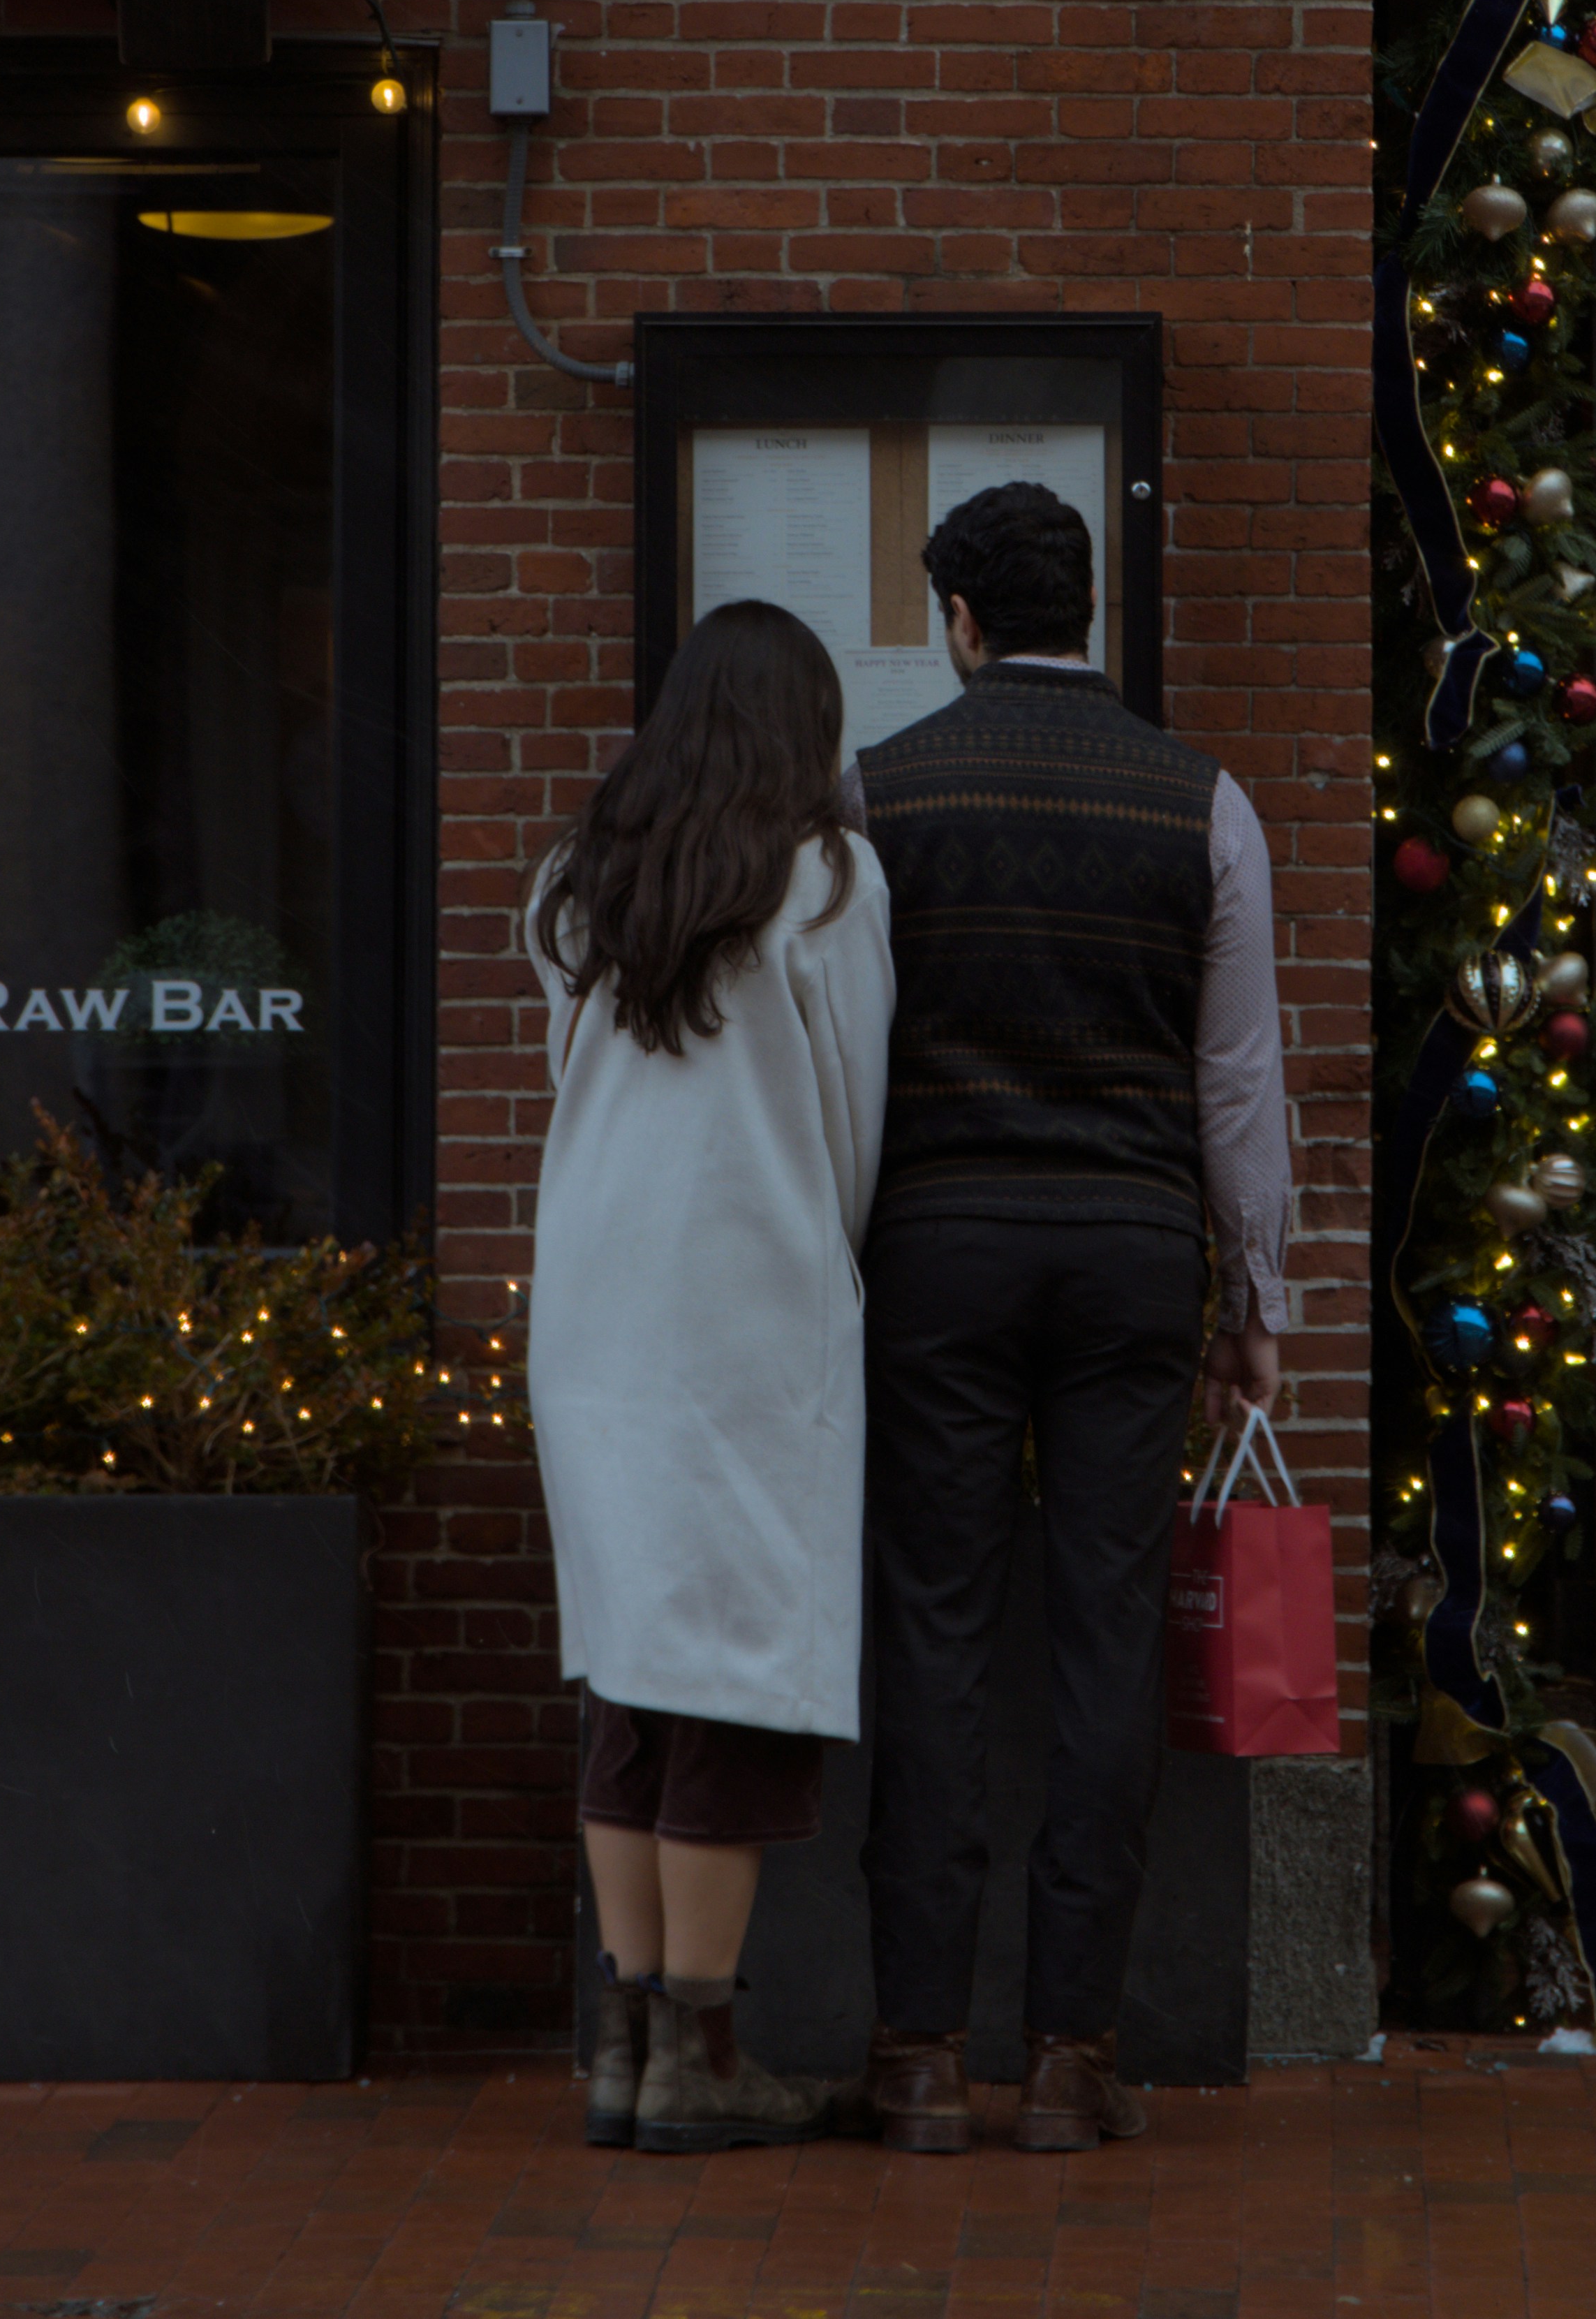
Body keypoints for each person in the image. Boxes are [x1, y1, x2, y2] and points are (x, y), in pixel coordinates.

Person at [841, 479, 1291, 2155]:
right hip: (1130, 1256)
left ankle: (914, 2052)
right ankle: (1072, 2057)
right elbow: (1236, 1081)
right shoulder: (1207, 803)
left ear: (960, 620)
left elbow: (841, 1054)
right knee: (1110, 1636)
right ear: (1085, 608)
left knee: (934, 1629)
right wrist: (1257, 1298)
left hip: (939, 1251)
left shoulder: (875, 794)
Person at [524, 596, 896, 2157]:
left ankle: (623, 2046)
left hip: (594, 1302)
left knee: (628, 1670)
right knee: (736, 1675)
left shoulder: (581, 876)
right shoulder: (826, 878)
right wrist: (827, 1245)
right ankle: (703, 2052)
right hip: (749, 1301)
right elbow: (853, 1109)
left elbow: (568, 1071)